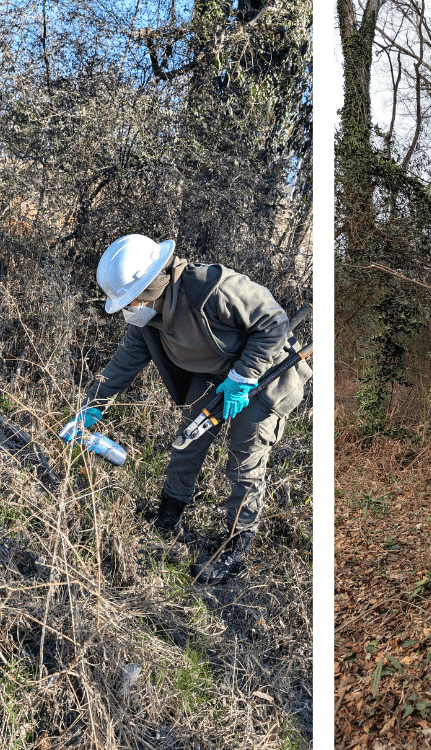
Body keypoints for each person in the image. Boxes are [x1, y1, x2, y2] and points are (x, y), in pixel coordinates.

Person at [64, 234, 311, 584]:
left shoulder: (212, 288)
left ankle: (235, 546)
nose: (127, 308)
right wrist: (90, 408)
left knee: (245, 463)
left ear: (152, 287)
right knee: (185, 445)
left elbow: (273, 324)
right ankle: (168, 516)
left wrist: (243, 378)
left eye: (130, 299)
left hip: (262, 379)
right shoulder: (146, 322)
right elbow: (122, 365)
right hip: (212, 375)